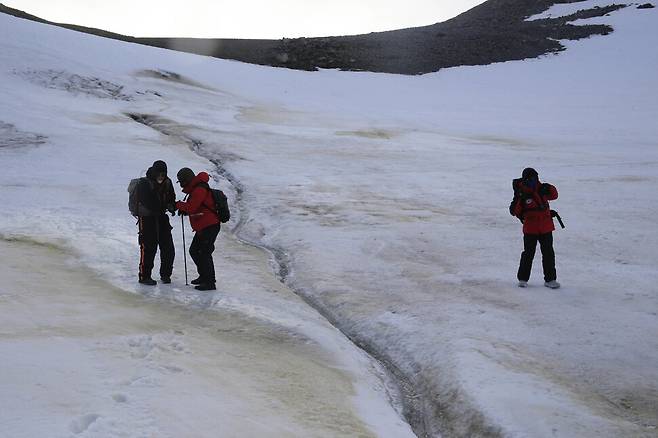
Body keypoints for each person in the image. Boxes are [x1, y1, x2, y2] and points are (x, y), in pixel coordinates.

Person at [510, 167, 561, 289]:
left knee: (548, 254)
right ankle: (523, 279)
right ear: (525, 179)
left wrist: (549, 187)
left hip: (546, 228)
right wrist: (520, 198)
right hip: (530, 229)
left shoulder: (541, 188)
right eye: (531, 178)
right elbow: (515, 211)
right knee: (528, 254)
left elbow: (554, 195)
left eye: (535, 177)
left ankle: (550, 279)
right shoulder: (522, 192)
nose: (534, 180)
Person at [175, 168, 220, 291]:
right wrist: (183, 210)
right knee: (195, 251)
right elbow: (196, 207)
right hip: (204, 226)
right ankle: (204, 277)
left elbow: (192, 207)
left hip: (209, 226)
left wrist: (177, 205)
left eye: (182, 181)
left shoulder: (199, 189)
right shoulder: (196, 188)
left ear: (187, 180)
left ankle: (210, 282)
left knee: (204, 253)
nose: (181, 184)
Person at [137, 160, 176, 285]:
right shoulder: (144, 183)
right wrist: (162, 206)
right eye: (159, 173)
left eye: (163, 174)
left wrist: (171, 206)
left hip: (161, 217)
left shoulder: (168, 182)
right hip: (147, 218)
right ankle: (144, 276)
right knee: (149, 247)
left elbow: (171, 197)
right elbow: (145, 201)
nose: (161, 176)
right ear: (154, 172)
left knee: (168, 247)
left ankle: (166, 275)